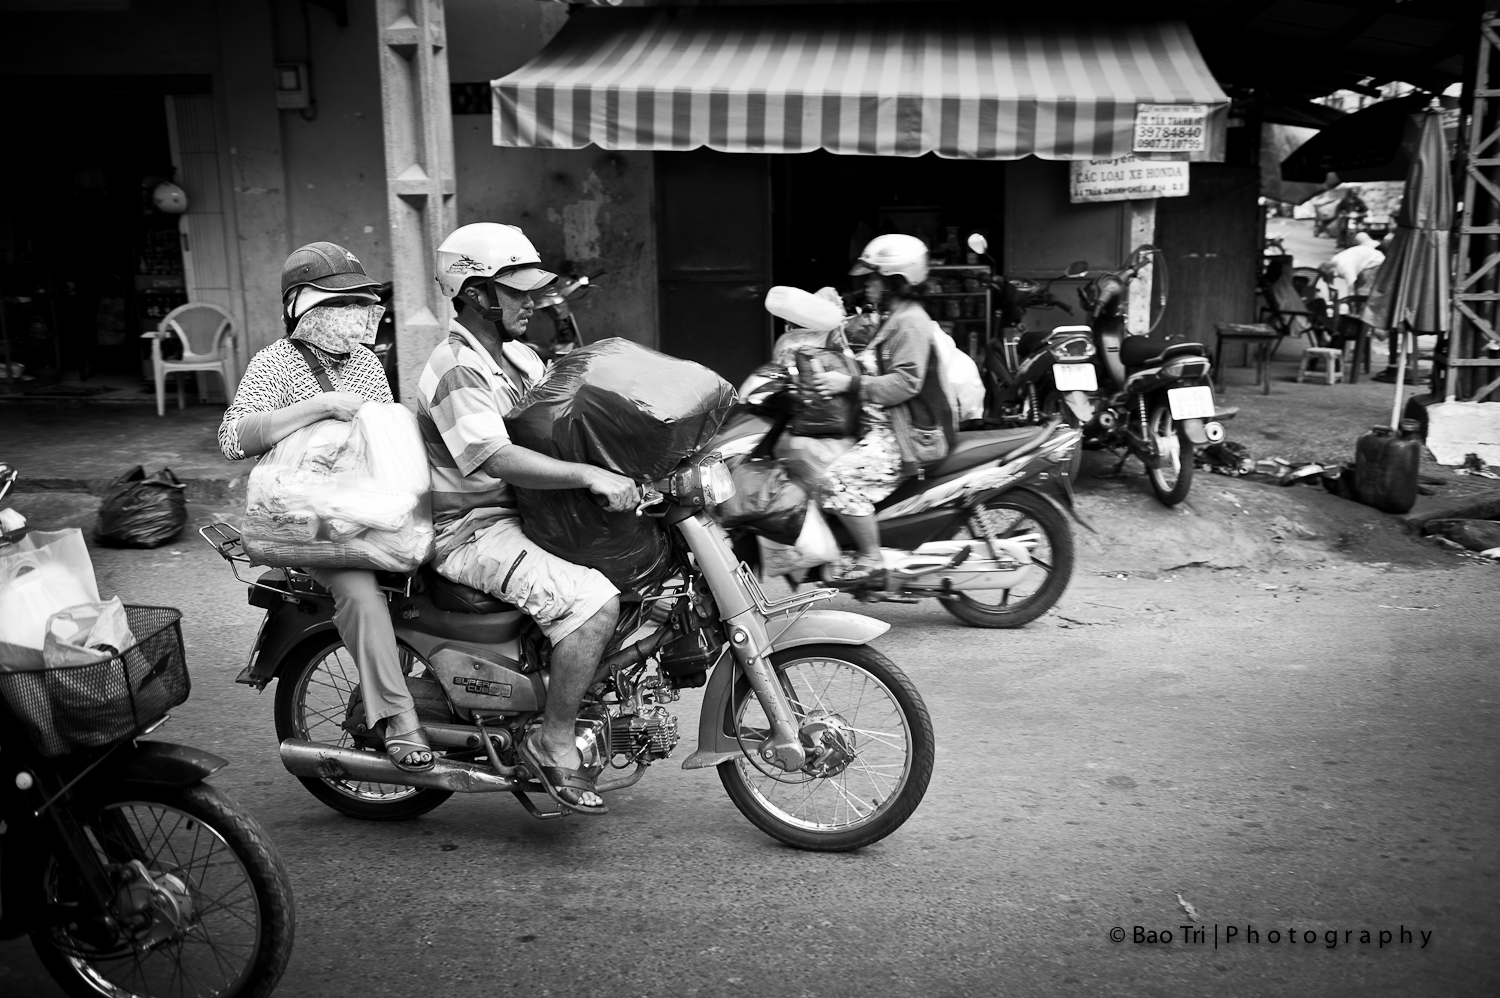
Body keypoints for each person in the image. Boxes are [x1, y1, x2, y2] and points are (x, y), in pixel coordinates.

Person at [416, 222, 638, 815]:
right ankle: (552, 739)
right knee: (592, 604)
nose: (531, 301)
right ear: (474, 295)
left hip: (531, 513)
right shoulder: (454, 367)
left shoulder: (518, 355)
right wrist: (590, 477)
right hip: (472, 529)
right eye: (515, 291)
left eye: (532, 290)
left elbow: (562, 424)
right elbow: (495, 455)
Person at [219, 242, 434, 772]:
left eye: (360, 303)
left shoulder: (366, 363)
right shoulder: (275, 363)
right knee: (361, 595)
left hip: (365, 511)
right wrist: (316, 407)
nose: (357, 315)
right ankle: (397, 719)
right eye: (341, 304)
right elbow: (232, 438)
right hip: (306, 522)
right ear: (302, 307)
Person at [809, 234, 955, 588]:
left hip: (913, 434)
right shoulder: (894, 317)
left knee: (838, 480)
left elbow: (905, 383)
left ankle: (872, 558)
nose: (867, 285)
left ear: (896, 280)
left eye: (874, 278)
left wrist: (850, 384)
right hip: (887, 425)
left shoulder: (910, 323)